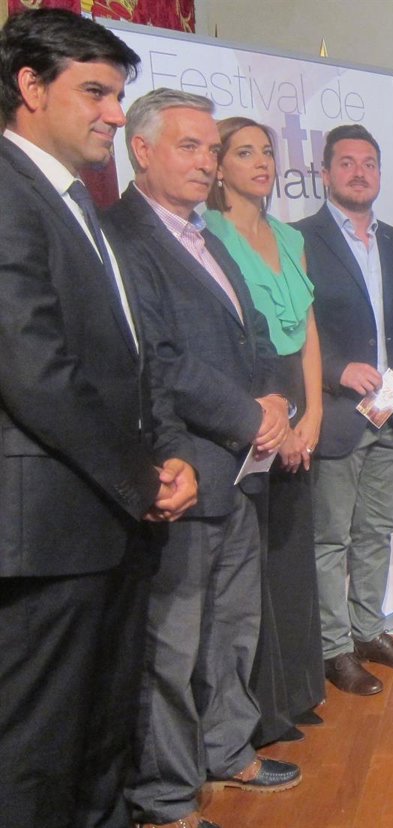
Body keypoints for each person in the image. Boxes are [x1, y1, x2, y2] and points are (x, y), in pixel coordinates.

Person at [0, 12, 196, 827]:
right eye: (95, 92)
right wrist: (140, 478)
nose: (115, 114)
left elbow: (130, 356)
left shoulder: (78, 199)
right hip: (50, 531)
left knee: (101, 739)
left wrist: (164, 456)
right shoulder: (8, 191)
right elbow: (35, 371)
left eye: (118, 95)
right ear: (29, 87)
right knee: (38, 754)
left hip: (108, 520)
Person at [105, 88, 299, 828]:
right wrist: (250, 416)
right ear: (141, 149)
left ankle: (228, 750)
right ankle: (165, 796)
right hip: (180, 470)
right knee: (173, 646)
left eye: (211, 149)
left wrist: (275, 402)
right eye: (189, 146)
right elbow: (158, 360)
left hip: (240, 470)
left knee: (232, 630)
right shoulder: (122, 236)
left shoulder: (206, 234)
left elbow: (253, 335)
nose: (207, 162)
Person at [294, 124, 393, 695]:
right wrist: (334, 370)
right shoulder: (298, 239)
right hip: (336, 414)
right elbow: (292, 330)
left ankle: (369, 632)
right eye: (346, 162)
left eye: (369, 163)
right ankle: (334, 649)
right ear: (325, 173)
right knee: (331, 539)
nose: (359, 172)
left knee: (376, 531)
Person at [204, 116, 325, 739]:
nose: (261, 163)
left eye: (267, 152)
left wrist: (314, 416)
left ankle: (299, 692)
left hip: (299, 402)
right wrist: (275, 419)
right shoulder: (208, 233)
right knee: (253, 559)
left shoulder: (289, 235)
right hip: (252, 404)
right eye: (244, 152)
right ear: (218, 166)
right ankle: (263, 711)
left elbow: (308, 331)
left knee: (292, 553)